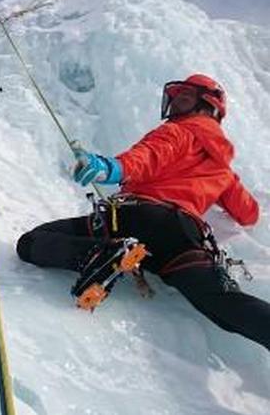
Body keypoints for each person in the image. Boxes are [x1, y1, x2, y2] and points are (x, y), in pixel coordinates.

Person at [17, 74, 270, 351]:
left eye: (184, 98)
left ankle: (100, 253)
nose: (174, 106)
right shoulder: (224, 170)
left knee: (32, 241)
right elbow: (249, 214)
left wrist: (110, 168)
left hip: (136, 217)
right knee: (223, 304)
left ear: (207, 106)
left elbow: (147, 157)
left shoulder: (177, 131)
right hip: (183, 238)